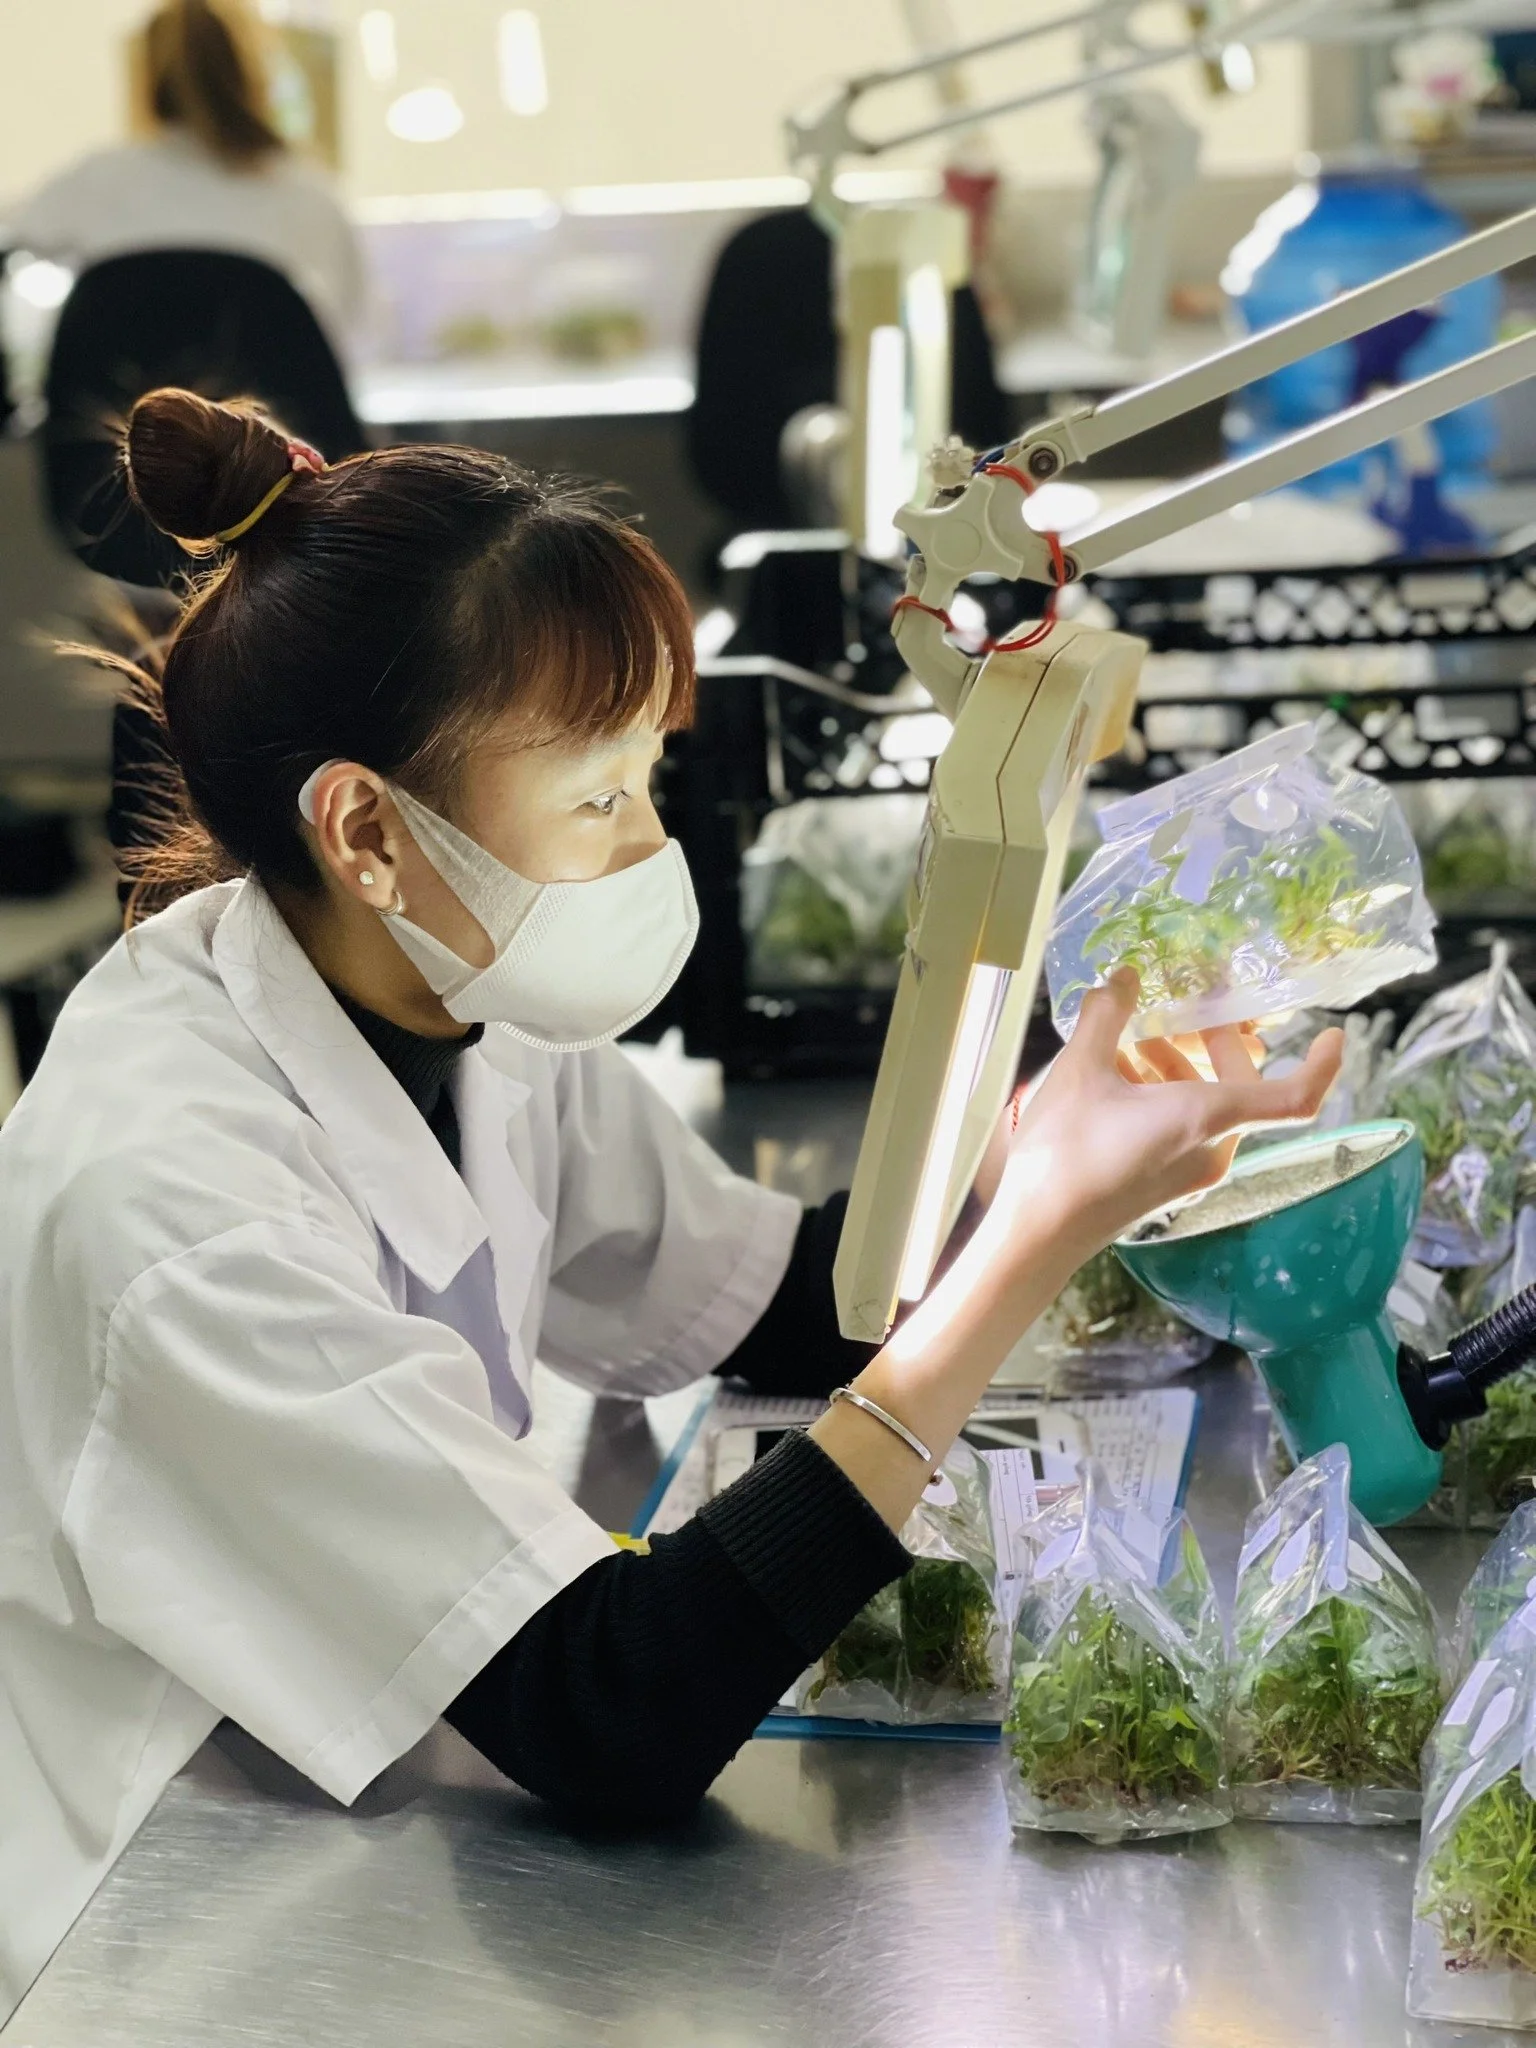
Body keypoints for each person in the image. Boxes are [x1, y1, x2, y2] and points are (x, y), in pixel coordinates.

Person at [0, 387, 1343, 2022]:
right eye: (597, 800)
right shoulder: (178, 1217)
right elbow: (610, 1708)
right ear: (366, 830)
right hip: (174, 1920)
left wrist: (1020, 1152)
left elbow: (780, 1296)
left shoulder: (453, 987)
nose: (649, 849)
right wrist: (1027, 1243)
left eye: (651, 777)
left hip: (385, 1814)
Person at [7, 0, 362, 354]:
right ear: (252, 73)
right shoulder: (309, 195)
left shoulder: (96, 181)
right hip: (268, 391)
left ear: (145, 78)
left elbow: (14, 239)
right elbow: (352, 327)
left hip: (118, 390)